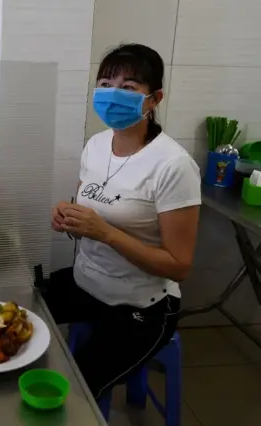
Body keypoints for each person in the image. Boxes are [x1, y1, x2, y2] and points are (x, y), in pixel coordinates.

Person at [44, 43, 201, 401]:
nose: (112, 94)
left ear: (153, 99)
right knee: (13, 312)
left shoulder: (173, 166)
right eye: (105, 83)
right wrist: (67, 216)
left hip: (141, 305)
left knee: (74, 392)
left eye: (129, 87)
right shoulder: (96, 145)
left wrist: (107, 233)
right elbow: (89, 207)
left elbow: (179, 266)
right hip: (87, 282)